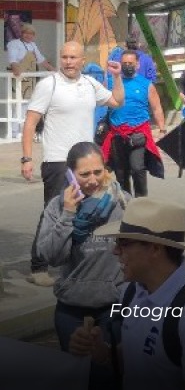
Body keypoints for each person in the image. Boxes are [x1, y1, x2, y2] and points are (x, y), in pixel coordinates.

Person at [69, 198, 185, 388]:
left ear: (155, 249)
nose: (115, 250)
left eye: (123, 243)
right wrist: (103, 352)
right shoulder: (132, 291)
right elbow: (140, 361)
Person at [22, 42, 124, 287]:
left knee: (86, 211)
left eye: (73, 57)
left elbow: (116, 101)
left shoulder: (89, 84)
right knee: (54, 211)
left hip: (86, 162)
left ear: (82, 61)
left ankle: (76, 261)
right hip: (58, 161)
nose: (68, 62)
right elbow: (30, 122)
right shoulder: (49, 84)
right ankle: (39, 266)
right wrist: (27, 158)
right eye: (65, 57)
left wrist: (117, 76)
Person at [36, 141, 130, 352]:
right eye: (84, 174)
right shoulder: (57, 206)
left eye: (98, 172)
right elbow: (52, 257)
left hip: (114, 306)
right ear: (70, 174)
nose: (93, 180)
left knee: (109, 366)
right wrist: (68, 214)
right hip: (71, 309)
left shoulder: (123, 202)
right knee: (75, 368)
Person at [102, 49, 167, 198]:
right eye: (124, 63)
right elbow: (100, 102)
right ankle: (126, 202)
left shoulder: (146, 85)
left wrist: (162, 129)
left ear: (137, 65)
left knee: (137, 168)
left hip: (138, 133)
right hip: (117, 134)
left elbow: (156, 108)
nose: (127, 66)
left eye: (130, 63)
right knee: (121, 173)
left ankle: (141, 201)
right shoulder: (111, 81)